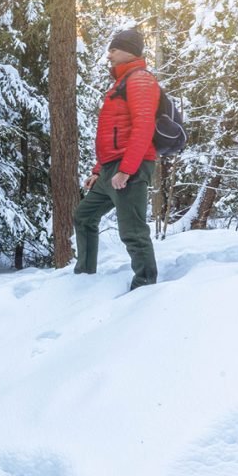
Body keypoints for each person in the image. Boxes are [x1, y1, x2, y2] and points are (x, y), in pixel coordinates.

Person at [74, 28, 159, 290]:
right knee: (84, 216)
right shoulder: (121, 82)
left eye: (114, 48)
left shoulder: (140, 80)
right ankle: (84, 278)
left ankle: (145, 286)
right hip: (111, 168)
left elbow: (144, 127)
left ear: (130, 50)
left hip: (129, 168)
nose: (109, 54)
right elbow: (111, 134)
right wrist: (99, 171)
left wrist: (126, 170)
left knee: (132, 231)